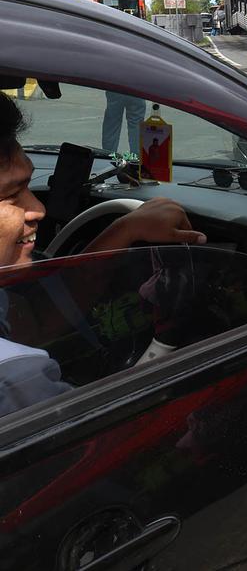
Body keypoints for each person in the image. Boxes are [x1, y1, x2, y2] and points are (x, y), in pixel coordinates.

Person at [0, 95, 206, 414]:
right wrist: (166, 340)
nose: (38, 209)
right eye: (13, 194)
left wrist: (125, 230)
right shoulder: (15, 379)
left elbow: (35, 323)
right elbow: (113, 433)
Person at [101, 90, 146, 156]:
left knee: (112, 124)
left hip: (116, 89)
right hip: (136, 90)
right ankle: (136, 157)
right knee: (136, 124)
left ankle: (108, 155)